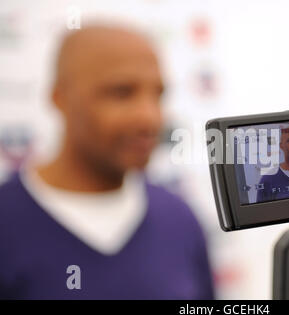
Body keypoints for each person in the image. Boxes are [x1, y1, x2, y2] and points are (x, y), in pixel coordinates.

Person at [0, 25, 214, 299]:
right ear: (59, 97)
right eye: (122, 92)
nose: (150, 117)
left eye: (158, 95)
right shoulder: (7, 221)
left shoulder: (180, 219)